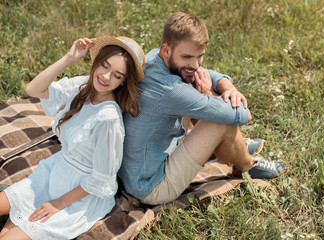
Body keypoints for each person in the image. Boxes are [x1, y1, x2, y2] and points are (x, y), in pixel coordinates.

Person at [117, 12, 287, 205]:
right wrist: (209, 95)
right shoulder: (171, 91)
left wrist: (228, 87)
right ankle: (246, 164)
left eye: (200, 57)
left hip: (137, 169)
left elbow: (207, 74)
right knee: (220, 121)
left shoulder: (154, 57)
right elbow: (242, 115)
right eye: (187, 57)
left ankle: (232, 145)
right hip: (149, 187)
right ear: (166, 49)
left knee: (197, 87)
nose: (195, 64)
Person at [0, 35, 145, 239]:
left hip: (79, 194)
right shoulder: (84, 86)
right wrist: (70, 58)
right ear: (98, 60)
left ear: (123, 82)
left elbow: (102, 178)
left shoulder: (108, 119)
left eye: (117, 75)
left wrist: (58, 203)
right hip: (53, 171)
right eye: (104, 65)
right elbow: (33, 89)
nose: (105, 77)